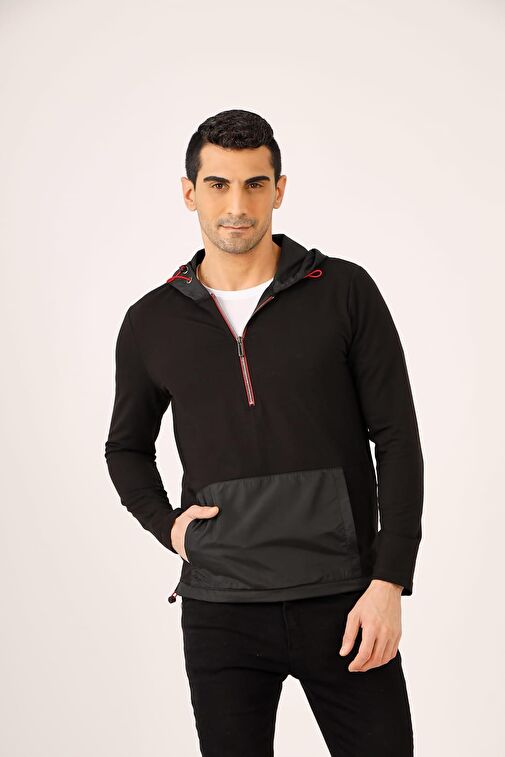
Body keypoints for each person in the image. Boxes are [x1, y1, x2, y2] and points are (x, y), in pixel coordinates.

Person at [104, 108, 424, 756]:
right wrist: (168, 526)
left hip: (345, 600)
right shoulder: (151, 321)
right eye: (218, 185)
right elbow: (126, 448)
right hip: (221, 610)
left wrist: (388, 582)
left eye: (254, 184)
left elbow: (396, 439)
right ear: (189, 192)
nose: (236, 205)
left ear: (279, 189)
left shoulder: (344, 290)